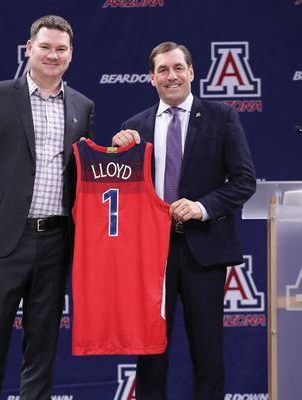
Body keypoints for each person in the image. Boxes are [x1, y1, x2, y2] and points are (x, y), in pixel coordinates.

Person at [0, 15, 94, 400]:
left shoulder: (83, 106)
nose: (53, 54)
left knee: (42, 344)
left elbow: (88, 173)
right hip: (1, 239)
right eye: (45, 46)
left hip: (56, 242)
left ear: (71, 55)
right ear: (29, 48)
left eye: (61, 49)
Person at [112, 42, 256, 399]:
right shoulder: (134, 127)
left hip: (204, 250)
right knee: (150, 356)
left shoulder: (222, 117)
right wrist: (117, 153)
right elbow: (120, 197)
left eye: (178, 68)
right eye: (162, 69)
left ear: (191, 72)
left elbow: (244, 181)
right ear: (151, 78)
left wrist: (202, 206)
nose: (171, 76)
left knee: (208, 353)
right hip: (150, 257)